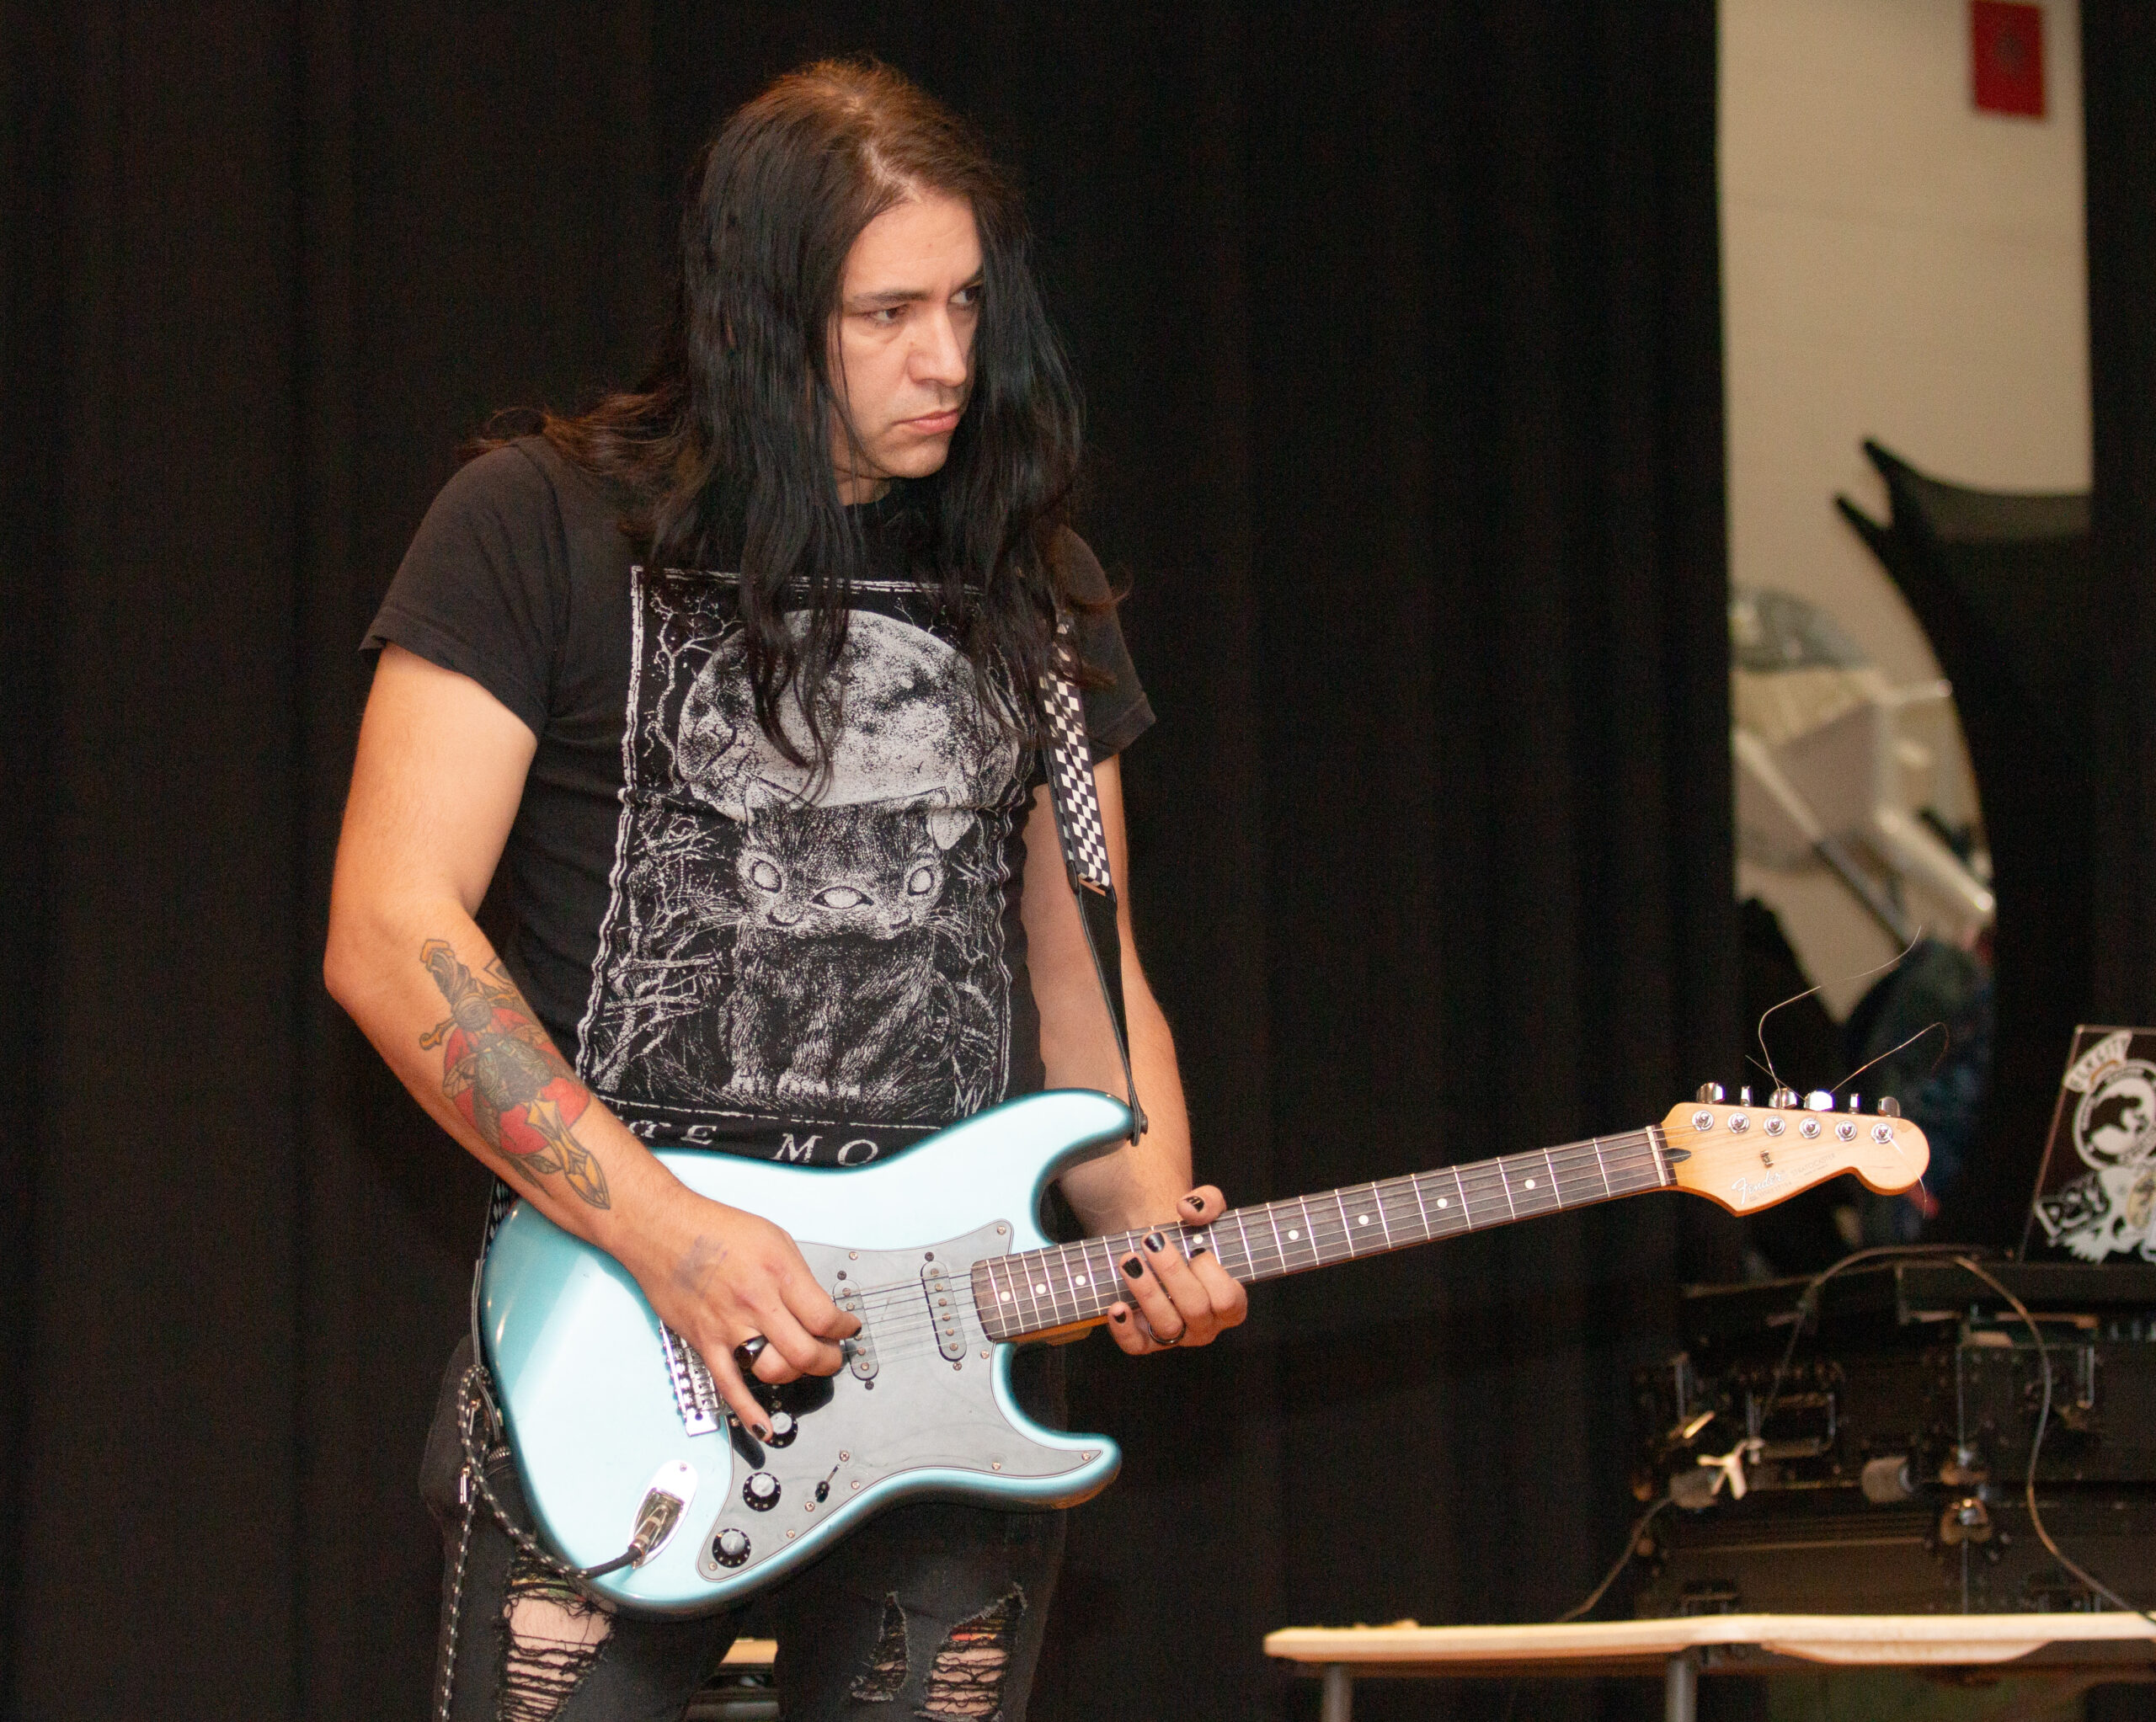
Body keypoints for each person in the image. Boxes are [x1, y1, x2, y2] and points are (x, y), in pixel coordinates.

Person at [323, 57, 1246, 1722]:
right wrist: (670, 1234)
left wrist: (1147, 1218)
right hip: (619, 1363)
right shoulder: (532, 526)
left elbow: (1087, 983)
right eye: (889, 312)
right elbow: (394, 933)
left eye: (967, 303)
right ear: (760, 316)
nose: (949, 358)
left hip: (953, 1392)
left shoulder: (1034, 597)